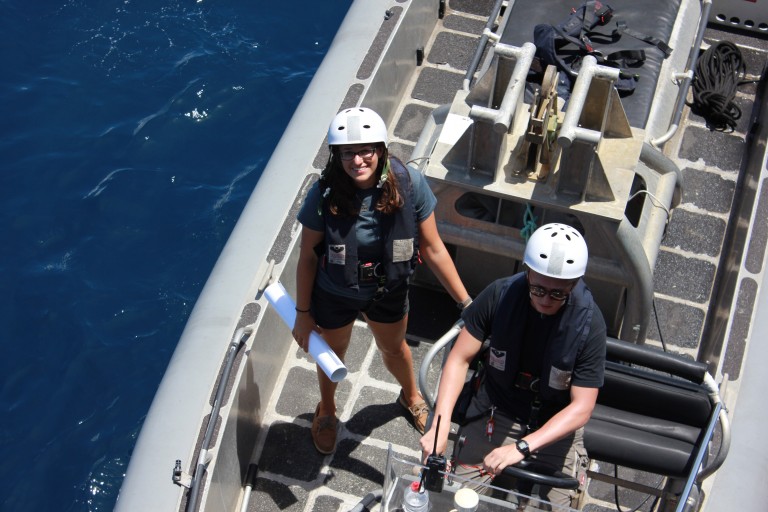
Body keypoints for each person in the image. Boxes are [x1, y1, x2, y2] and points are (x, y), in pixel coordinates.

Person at [293, 107, 471, 455]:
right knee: (332, 355)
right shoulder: (324, 194)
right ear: (336, 155)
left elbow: (433, 248)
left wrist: (466, 303)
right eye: (347, 152)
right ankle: (327, 410)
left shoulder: (411, 183)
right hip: (336, 291)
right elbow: (308, 256)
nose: (357, 160)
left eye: (366, 150)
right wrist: (303, 312)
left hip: (388, 289)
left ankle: (412, 397)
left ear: (381, 150)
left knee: (394, 348)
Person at [420, 223, 606, 509]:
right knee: (455, 500)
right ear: (527, 272)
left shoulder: (590, 324)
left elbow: (581, 407)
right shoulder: (499, 295)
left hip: (553, 423)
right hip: (498, 408)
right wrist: (439, 428)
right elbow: (459, 359)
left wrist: (522, 447)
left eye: (557, 294)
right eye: (538, 289)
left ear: (574, 284)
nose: (545, 299)